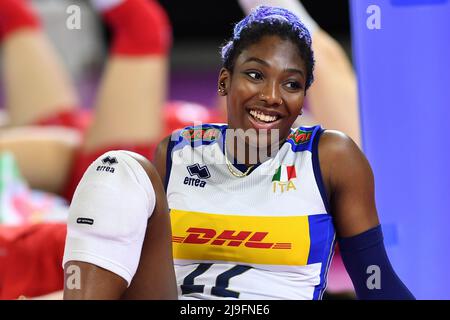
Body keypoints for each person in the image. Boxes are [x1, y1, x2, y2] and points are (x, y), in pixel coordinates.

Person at [63, 6, 415, 299]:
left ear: (303, 96)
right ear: (223, 82)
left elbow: (377, 280)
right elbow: (129, 276)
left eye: (291, 84)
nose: (272, 96)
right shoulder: (177, 152)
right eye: (255, 75)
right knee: (116, 169)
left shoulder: (331, 158)